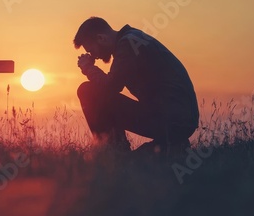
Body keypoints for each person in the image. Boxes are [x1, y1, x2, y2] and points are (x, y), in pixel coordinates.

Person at [74, 17, 199, 155]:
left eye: (91, 51)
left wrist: (88, 68)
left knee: (88, 91)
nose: (94, 57)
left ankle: (115, 154)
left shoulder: (128, 44)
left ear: (101, 38)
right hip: (177, 119)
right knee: (143, 157)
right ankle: (172, 145)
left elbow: (110, 87)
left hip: (172, 119)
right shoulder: (132, 38)